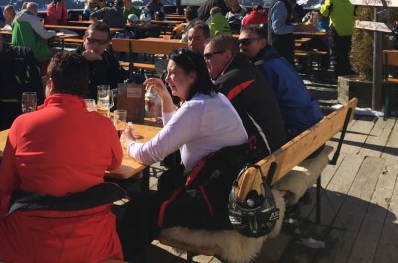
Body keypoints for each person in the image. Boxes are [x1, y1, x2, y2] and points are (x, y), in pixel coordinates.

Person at [0, 52, 125, 263]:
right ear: (84, 86)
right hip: (90, 240)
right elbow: (115, 163)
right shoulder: (103, 125)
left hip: (31, 240)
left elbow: (6, 186)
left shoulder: (23, 124)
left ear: (50, 85)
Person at [120, 49, 248, 233]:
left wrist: (127, 141)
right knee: (166, 179)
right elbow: (176, 131)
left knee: (137, 208)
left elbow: (149, 155)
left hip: (211, 199)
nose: (167, 78)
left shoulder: (196, 108)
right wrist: (165, 96)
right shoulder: (214, 97)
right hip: (226, 185)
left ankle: (126, 257)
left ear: (192, 76)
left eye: (173, 73)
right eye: (167, 73)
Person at [203, 34, 286, 155]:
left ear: (227, 55)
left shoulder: (231, 81)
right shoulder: (246, 69)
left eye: (208, 56)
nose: (205, 61)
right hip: (275, 146)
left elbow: (203, 109)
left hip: (265, 153)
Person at [238, 25, 323, 140]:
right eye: (239, 42)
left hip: (297, 131)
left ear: (262, 43)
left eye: (246, 42)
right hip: (313, 124)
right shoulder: (279, 60)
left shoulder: (262, 68)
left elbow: (261, 108)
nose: (241, 47)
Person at [268, 0, 314, 65]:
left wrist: (299, 26)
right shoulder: (280, 3)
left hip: (280, 50)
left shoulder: (281, 1)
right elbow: (278, 29)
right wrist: (298, 28)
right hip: (280, 51)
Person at [77, 21, 126, 96]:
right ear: (84, 40)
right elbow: (88, 93)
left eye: (101, 42)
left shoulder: (111, 61)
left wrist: (99, 62)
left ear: (107, 44)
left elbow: (115, 87)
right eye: (91, 40)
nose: (95, 45)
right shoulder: (72, 60)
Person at [320, 0, 355, 77]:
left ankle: (338, 76)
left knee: (336, 54)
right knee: (346, 53)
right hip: (349, 29)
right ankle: (348, 74)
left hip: (336, 29)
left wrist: (324, 4)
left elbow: (324, 12)